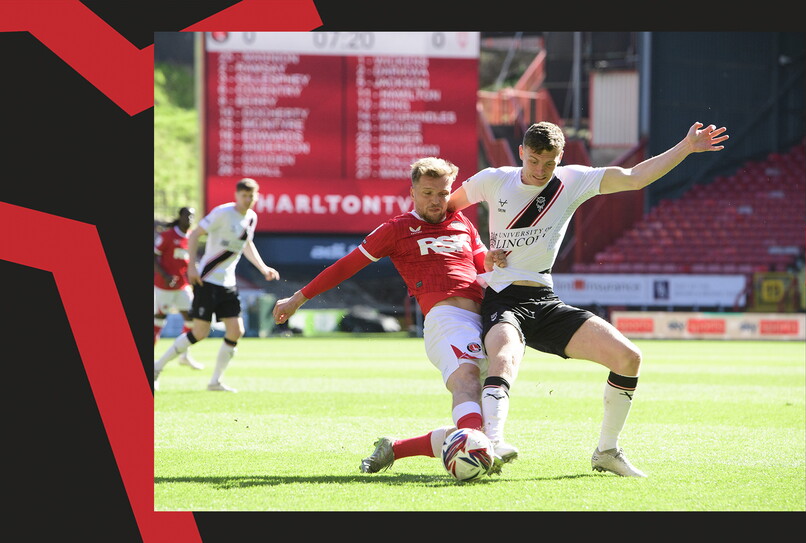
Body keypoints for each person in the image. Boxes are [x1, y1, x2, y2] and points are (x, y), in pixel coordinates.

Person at [447, 120, 729, 476]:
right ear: (521, 152)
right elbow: (447, 210)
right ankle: (494, 443)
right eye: (533, 160)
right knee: (504, 357)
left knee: (628, 358)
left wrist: (686, 147)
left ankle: (607, 452)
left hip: (544, 299)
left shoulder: (572, 180)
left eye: (549, 163)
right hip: (502, 298)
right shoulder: (493, 179)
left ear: (560, 158)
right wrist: (480, 254)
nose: (540, 170)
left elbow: (634, 178)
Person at [271, 157, 512, 475]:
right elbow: (346, 266)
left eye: (443, 193)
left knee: (479, 410)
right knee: (466, 382)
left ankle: (396, 448)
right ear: (412, 193)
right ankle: (483, 450)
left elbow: (481, 264)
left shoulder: (462, 223)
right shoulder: (397, 229)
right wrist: (298, 298)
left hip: (483, 321)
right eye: (427, 193)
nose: (437, 201)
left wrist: (492, 260)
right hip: (446, 320)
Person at [154, 178, 280, 392]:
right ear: (236, 195)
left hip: (228, 284)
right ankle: (157, 367)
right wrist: (192, 267)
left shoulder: (251, 217)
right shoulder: (222, 213)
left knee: (236, 330)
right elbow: (195, 234)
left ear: (256, 197)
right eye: (244, 195)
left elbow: (247, 243)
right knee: (199, 332)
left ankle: (215, 381)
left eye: (251, 196)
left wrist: (263, 267)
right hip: (208, 280)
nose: (247, 200)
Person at [153, 206, 203, 370]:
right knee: (158, 321)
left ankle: (184, 355)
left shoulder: (192, 237)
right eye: (187, 216)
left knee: (192, 320)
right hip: (164, 287)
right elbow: (154, 257)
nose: (190, 219)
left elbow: (187, 261)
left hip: (183, 286)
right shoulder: (167, 236)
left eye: (192, 216)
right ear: (180, 216)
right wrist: (165, 275)